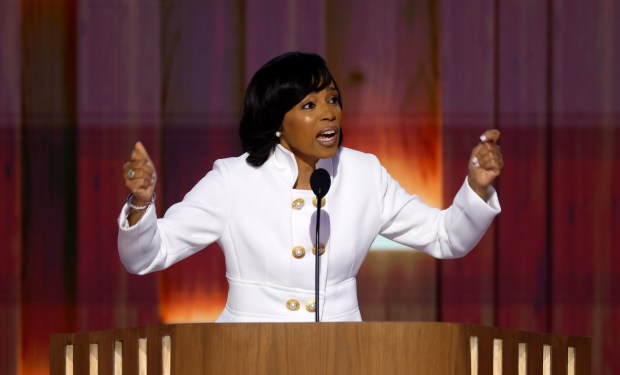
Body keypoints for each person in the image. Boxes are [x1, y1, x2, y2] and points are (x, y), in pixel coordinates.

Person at [118, 52, 503, 322]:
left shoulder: (364, 174)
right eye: (308, 105)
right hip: (244, 364)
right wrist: (140, 204)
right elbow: (148, 255)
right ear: (276, 121)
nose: (328, 112)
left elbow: (446, 237)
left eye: (332, 99)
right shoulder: (233, 181)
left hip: (341, 363)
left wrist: (476, 188)